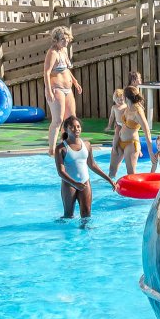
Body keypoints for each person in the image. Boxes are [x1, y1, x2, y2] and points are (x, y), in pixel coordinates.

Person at [53, 116, 116, 219]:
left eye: (78, 126)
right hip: (69, 185)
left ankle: (86, 234)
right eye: (72, 127)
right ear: (66, 129)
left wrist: (109, 180)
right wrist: (75, 183)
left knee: (86, 214)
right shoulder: (61, 148)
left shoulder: (87, 145)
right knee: (68, 215)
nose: (76, 129)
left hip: (85, 182)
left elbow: (93, 165)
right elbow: (61, 172)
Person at [44, 27, 82, 156]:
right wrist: (49, 90)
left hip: (67, 89)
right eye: (63, 39)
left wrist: (75, 81)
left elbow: (65, 69)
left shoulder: (64, 50)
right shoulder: (52, 53)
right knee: (58, 120)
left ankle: (66, 144)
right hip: (56, 88)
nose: (66, 42)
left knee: (71, 119)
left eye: (67, 39)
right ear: (56, 40)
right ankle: (52, 149)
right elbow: (47, 72)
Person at [115, 86, 155, 176]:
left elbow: (147, 131)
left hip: (131, 144)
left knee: (131, 174)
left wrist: (150, 151)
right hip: (120, 141)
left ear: (126, 97)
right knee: (112, 172)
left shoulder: (138, 112)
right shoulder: (128, 107)